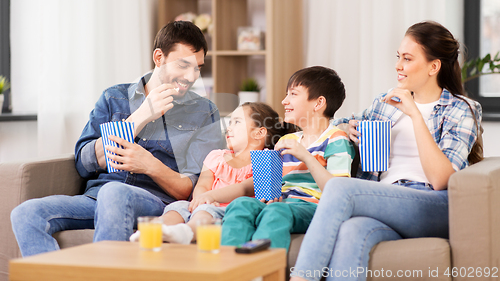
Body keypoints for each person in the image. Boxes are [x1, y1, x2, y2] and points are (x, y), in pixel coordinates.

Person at [10, 21, 224, 257]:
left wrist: (151, 166)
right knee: (26, 213)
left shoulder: (204, 112)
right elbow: (83, 162)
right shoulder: (114, 98)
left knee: (115, 192)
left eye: (197, 68)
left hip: (155, 202)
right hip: (96, 197)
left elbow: (195, 188)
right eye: (183, 65)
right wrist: (139, 118)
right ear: (159, 57)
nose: (191, 76)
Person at [290, 21, 483, 281]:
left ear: (433, 66)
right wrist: (346, 128)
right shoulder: (386, 104)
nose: (398, 65)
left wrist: (415, 114)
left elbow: (441, 179)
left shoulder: (461, 109)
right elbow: (333, 124)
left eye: (407, 58)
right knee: (352, 231)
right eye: (398, 57)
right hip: (384, 201)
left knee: (338, 188)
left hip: (432, 204)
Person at [221, 66, 355, 251]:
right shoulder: (287, 140)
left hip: (313, 208)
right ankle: (226, 268)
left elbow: (339, 191)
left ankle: (264, 272)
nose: (284, 101)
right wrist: (267, 192)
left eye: (293, 94)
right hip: (283, 203)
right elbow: (267, 185)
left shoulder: (336, 139)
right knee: (241, 205)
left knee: (277, 211)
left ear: (318, 103)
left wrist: (306, 156)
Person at [130, 102, 291, 244]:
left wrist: (211, 198)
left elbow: (243, 189)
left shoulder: (267, 160)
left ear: (259, 133)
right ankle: (155, 230)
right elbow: (203, 185)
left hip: (230, 212)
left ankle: (187, 232)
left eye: (237, 122)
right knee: (178, 206)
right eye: (230, 122)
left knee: (205, 212)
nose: (229, 127)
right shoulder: (216, 156)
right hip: (207, 204)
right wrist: (201, 198)